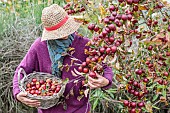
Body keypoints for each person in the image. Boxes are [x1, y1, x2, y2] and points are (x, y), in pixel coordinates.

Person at [13, 4, 113, 113]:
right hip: (48, 110)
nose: (65, 34)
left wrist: (105, 81)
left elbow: (105, 67)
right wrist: (18, 93)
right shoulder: (39, 46)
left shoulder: (85, 45)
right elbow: (21, 70)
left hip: (79, 110)